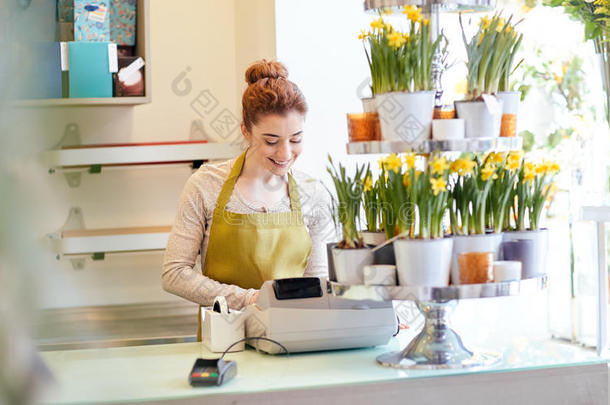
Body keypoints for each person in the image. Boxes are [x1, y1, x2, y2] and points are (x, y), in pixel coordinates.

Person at [162, 60, 334, 320]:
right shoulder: (206, 185)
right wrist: (251, 299)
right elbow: (174, 274)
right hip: (224, 340)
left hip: (293, 335)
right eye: (271, 140)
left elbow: (318, 284)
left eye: (296, 139)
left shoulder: (314, 193)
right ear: (246, 131)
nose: (285, 153)